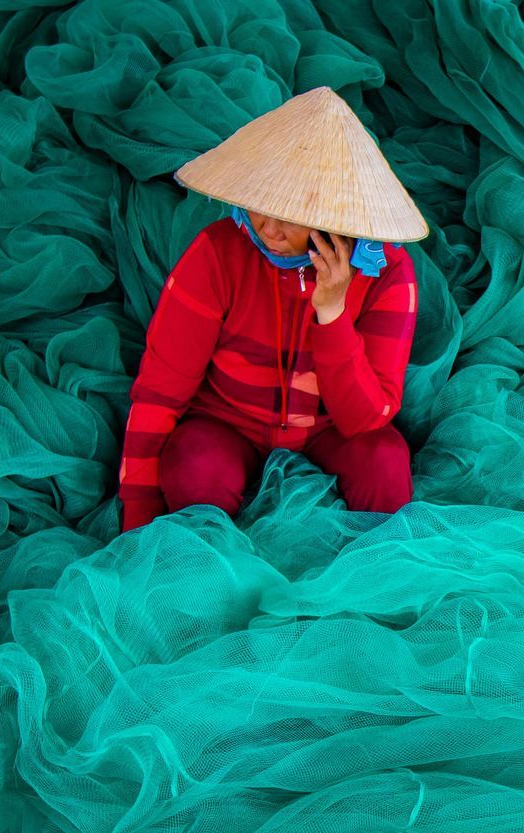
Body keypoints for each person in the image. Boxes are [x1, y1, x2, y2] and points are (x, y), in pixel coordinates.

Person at [116, 87, 429, 532]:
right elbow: (158, 394)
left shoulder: (388, 273)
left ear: (336, 217)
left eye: (293, 213)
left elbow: (366, 419)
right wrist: (137, 517)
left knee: (385, 463)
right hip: (225, 421)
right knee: (194, 466)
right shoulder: (216, 254)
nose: (269, 228)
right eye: (262, 204)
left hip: (332, 428)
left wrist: (332, 314)